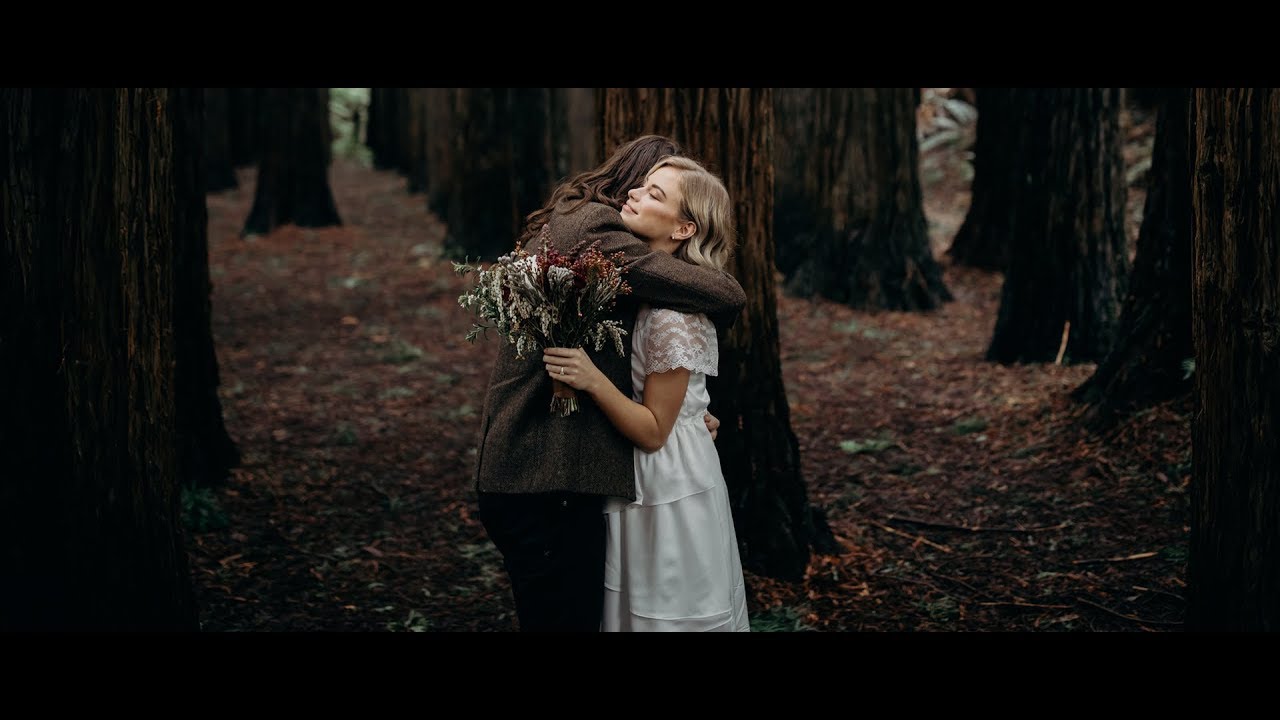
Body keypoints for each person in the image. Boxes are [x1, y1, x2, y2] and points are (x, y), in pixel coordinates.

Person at [475, 136, 746, 632]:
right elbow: (725, 295)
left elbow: (637, 359)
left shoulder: (594, 234)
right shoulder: (594, 228)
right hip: (544, 474)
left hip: (561, 474)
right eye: (645, 184)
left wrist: (686, 410)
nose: (639, 196)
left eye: (657, 192)